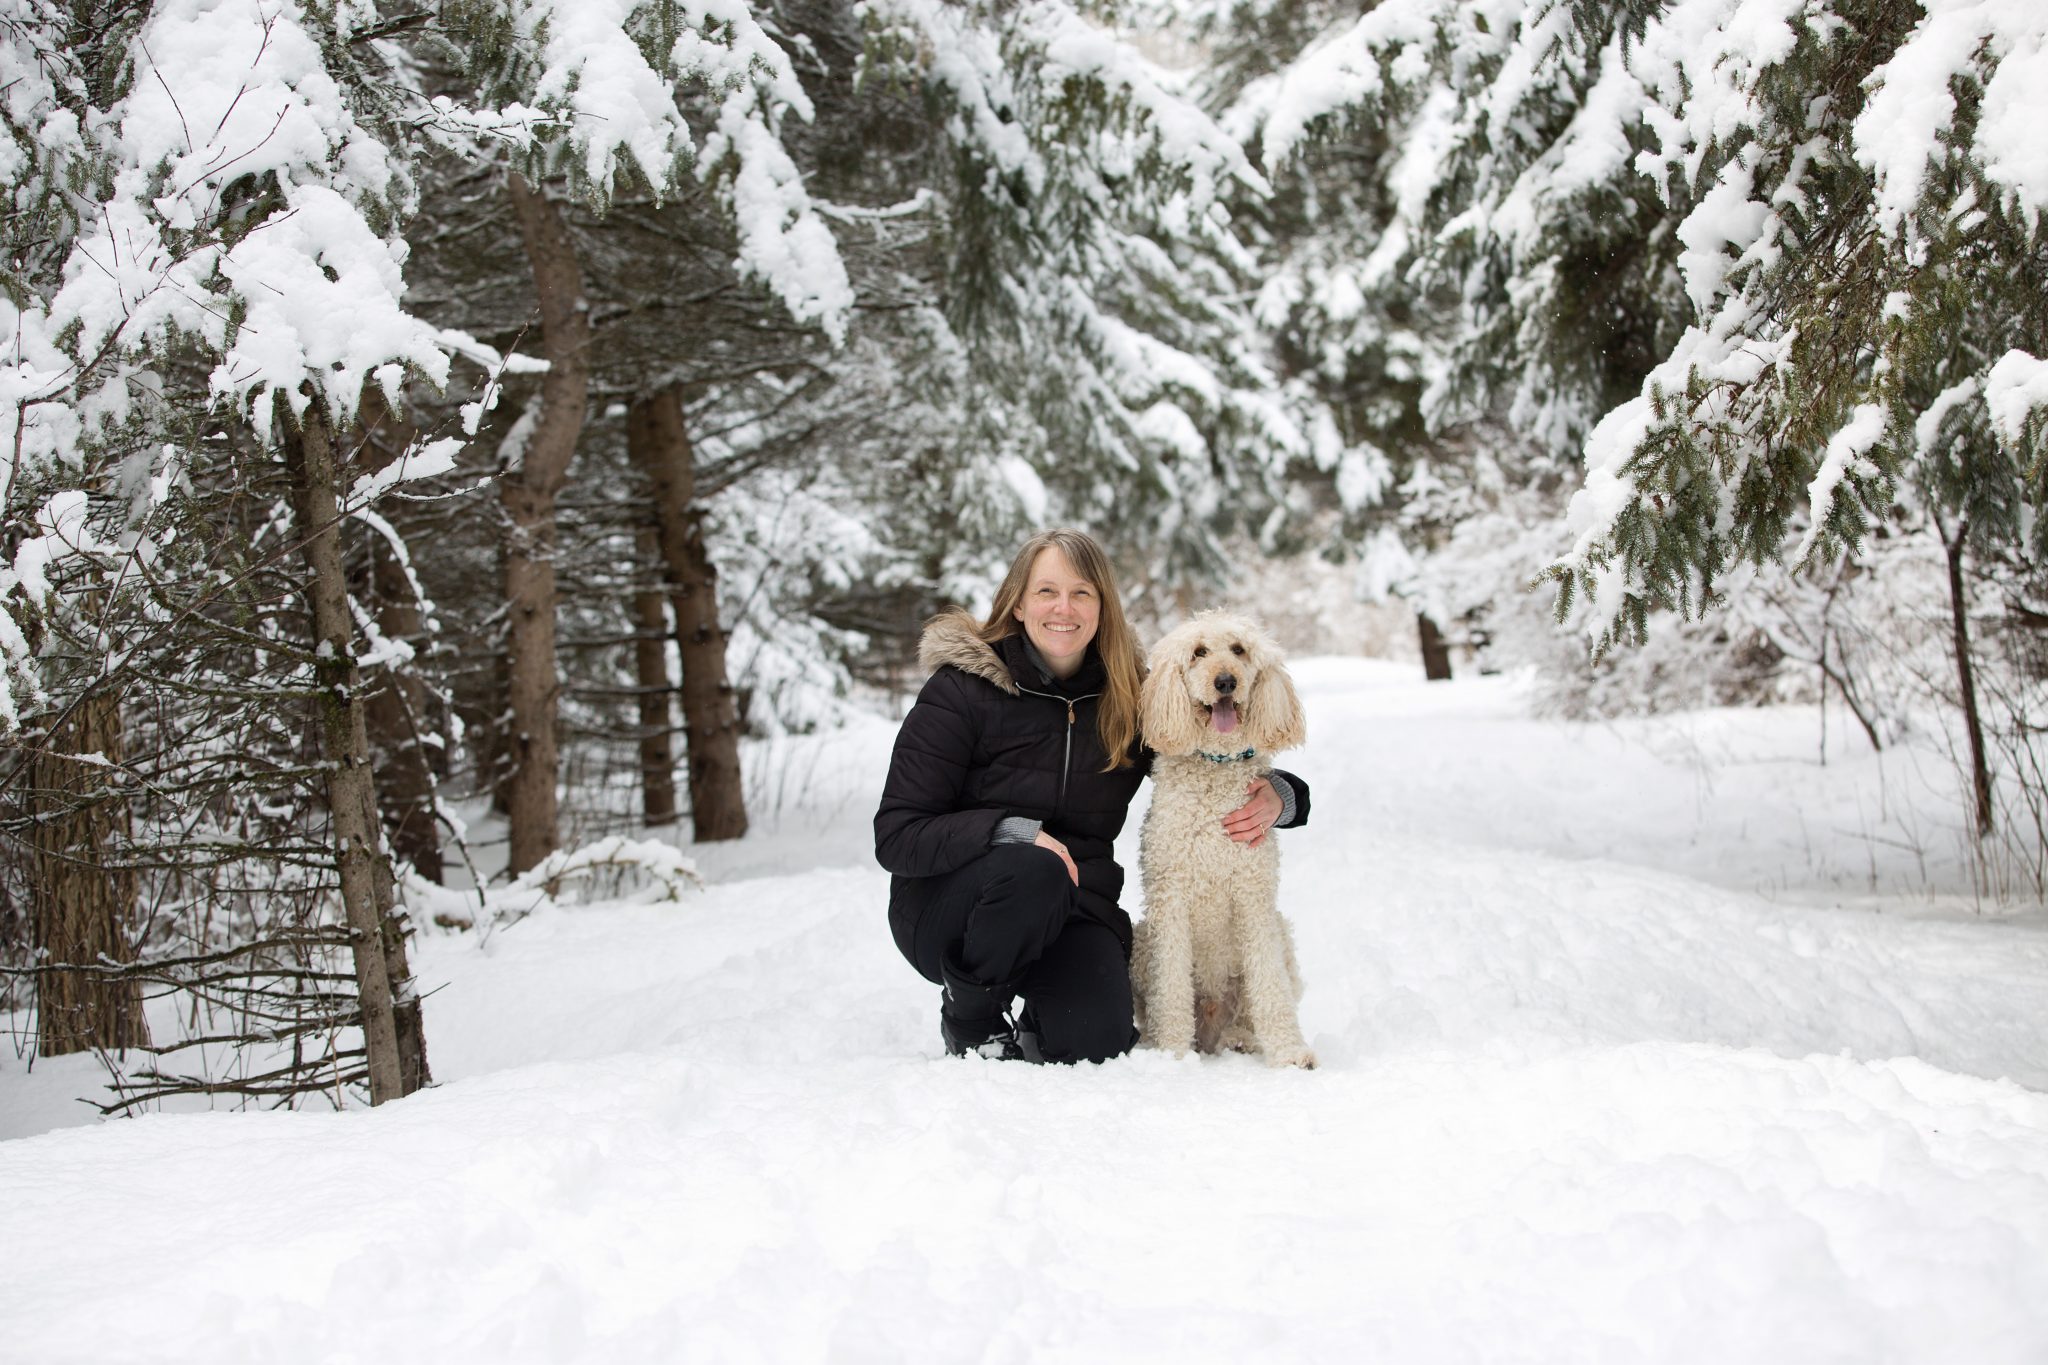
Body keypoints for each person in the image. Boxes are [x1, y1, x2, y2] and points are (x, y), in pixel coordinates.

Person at [874, 529, 1311, 1063]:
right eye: (1046, 591)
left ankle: (1043, 1011)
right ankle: (973, 1019)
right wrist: (1011, 833)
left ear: (1103, 608)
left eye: (1082, 593)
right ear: (1017, 604)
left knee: (1096, 1041)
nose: (1064, 608)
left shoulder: (1128, 696)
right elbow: (896, 836)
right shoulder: (960, 690)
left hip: (1073, 907)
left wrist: (1283, 795)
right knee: (1033, 869)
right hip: (954, 913)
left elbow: (1200, 754)